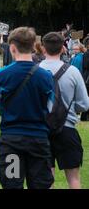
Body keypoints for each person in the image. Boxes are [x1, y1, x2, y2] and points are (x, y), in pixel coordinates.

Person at [0, 27, 55, 189]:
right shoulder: (46, 76)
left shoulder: (1, 74)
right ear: (34, 46)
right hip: (38, 139)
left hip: (12, 139)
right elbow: (50, 106)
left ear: (12, 47)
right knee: (40, 184)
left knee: (12, 184)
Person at [39, 32, 89, 189]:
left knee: (47, 180)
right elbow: (84, 104)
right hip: (67, 129)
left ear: (42, 48)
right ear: (63, 48)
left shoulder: (34, 71)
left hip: (41, 130)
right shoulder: (73, 72)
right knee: (74, 179)